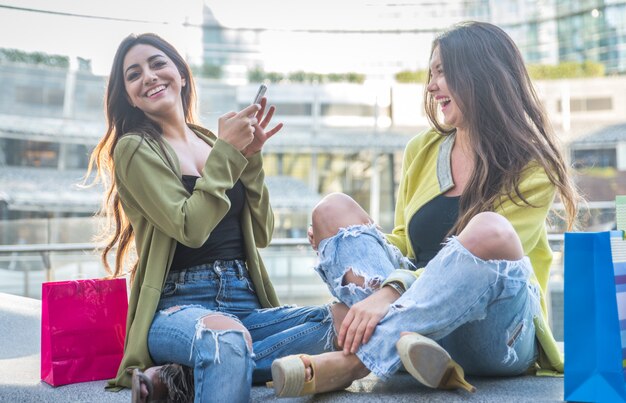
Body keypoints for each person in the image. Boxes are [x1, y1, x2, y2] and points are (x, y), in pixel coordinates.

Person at [270, 21, 578, 397]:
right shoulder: (423, 149)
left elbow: (499, 252)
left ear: (480, 75)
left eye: (442, 72)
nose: (431, 86)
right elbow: (405, 241)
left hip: (498, 333)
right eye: (431, 74)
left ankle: (355, 362)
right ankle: (407, 347)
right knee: (333, 210)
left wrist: (389, 292)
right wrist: (347, 245)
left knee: (488, 229)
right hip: (418, 332)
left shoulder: (533, 165)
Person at [87, 33, 348, 403]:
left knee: (344, 320)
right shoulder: (135, 148)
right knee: (224, 340)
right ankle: (208, 363)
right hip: (180, 306)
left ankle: (186, 377)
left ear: (180, 73)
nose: (148, 76)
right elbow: (190, 228)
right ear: (128, 96)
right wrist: (228, 152)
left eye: (157, 63)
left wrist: (251, 158)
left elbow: (262, 232)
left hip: (246, 304)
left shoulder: (211, 140)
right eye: (133, 74)